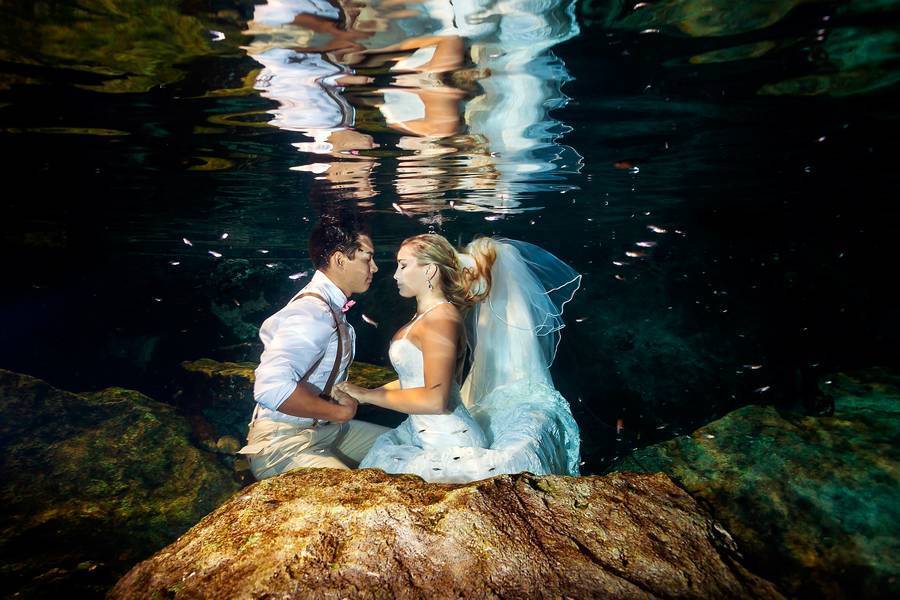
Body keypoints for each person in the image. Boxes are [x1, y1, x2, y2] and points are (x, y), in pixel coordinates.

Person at [335, 233, 581, 483]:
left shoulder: (440, 320)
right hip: (428, 439)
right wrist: (365, 393)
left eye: (404, 265)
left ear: (430, 270)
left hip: (451, 445)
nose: (396, 275)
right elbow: (415, 381)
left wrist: (367, 395)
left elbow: (435, 399)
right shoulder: (428, 316)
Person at [239, 214, 389, 480]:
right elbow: (271, 388)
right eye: (368, 258)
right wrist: (339, 411)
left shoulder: (329, 307)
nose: (375, 268)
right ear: (339, 260)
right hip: (281, 443)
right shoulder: (313, 311)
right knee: (355, 496)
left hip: (321, 430)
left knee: (403, 445)